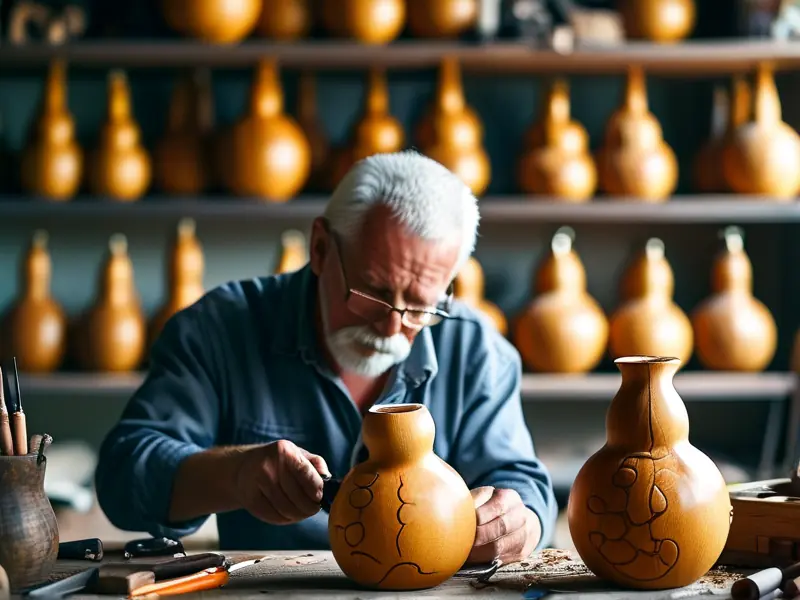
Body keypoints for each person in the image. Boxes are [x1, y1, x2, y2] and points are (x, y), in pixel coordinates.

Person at [95, 150, 558, 565]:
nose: (394, 327)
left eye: (420, 305)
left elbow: (523, 484)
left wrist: (520, 522)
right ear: (319, 248)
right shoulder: (219, 328)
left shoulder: (475, 349)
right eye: (373, 293)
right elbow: (124, 476)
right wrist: (234, 474)